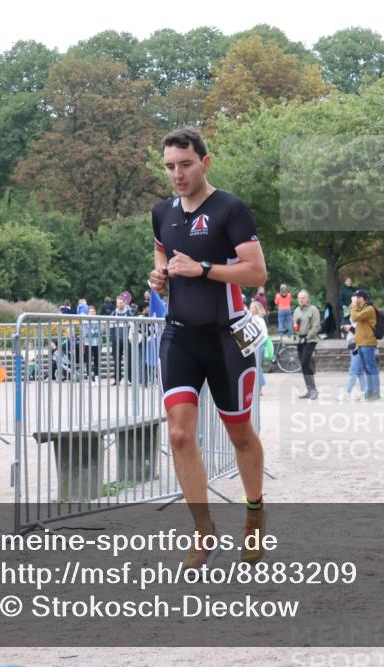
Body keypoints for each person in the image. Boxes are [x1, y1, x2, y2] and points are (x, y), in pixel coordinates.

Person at [148, 127, 268, 569]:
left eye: (185, 164)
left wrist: (201, 268)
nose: (177, 174)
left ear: (205, 162)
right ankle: (203, 530)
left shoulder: (229, 209)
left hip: (226, 337)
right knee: (179, 433)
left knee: (239, 433)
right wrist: (160, 274)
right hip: (178, 334)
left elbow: (256, 273)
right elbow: (163, 252)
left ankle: (255, 512)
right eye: (170, 167)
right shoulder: (162, 212)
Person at [349, 289, 380, 400]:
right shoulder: (362, 309)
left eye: (356, 297)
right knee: (366, 369)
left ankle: (376, 392)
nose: (354, 299)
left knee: (371, 368)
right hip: (361, 342)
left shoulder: (369, 309)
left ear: (362, 298)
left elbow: (354, 317)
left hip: (368, 342)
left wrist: (353, 305)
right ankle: (369, 392)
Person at [292, 290, 321, 399]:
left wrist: (308, 336)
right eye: (299, 298)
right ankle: (310, 389)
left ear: (308, 298)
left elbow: (316, 326)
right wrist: (295, 328)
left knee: (305, 362)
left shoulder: (313, 310)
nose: (301, 300)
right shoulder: (296, 311)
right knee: (304, 365)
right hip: (299, 340)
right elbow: (295, 324)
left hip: (310, 340)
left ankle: (313, 390)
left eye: (303, 298)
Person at [109, 293, 132, 384]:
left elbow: (132, 326)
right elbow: (111, 327)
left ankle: (129, 379)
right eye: (118, 303)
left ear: (124, 303)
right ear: (116, 304)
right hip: (116, 340)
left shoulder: (129, 313)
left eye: (121, 303)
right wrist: (112, 339)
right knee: (116, 360)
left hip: (127, 340)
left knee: (129, 360)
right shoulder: (113, 313)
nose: (119, 304)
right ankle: (117, 379)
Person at [249, 301, 268, 395]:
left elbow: (264, 334)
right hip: (255, 346)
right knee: (256, 367)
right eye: (251, 307)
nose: (250, 309)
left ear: (257, 309)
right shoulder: (253, 318)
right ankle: (257, 387)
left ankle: (259, 388)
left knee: (257, 367)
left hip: (258, 346)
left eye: (252, 307)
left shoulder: (258, 319)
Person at [82, 306, 101, 384]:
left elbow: (100, 332)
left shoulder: (98, 320)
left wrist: (91, 331)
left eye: (93, 311)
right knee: (88, 361)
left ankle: (96, 378)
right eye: (90, 311)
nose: (92, 313)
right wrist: (94, 332)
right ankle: (90, 378)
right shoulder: (85, 322)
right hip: (87, 343)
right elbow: (85, 334)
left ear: (95, 312)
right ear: (88, 313)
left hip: (97, 343)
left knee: (97, 361)